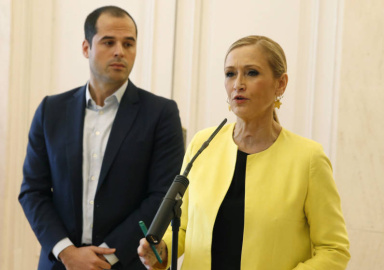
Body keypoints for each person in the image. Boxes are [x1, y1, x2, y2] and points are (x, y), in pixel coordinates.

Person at [138, 35, 350, 270]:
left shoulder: (308, 158)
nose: (238, 83)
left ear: (280, 84)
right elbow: (185, 226)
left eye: (251, 73)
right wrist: (162, 250)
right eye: (230, 73)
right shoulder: (203, 144)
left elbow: (334, 249)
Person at [19, 5, 185, 270]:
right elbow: (33, 191)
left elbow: (161, 196)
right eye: (109, 42)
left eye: (128, 43)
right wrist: (67, 252)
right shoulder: (52, 110)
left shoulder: (161, 114)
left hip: (124, 262)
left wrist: (104, 258)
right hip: (61, 263)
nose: (120, 51)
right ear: (86, 47)